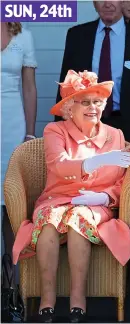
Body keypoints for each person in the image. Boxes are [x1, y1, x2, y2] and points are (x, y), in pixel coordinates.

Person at [12, 70, 130, 323]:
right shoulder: (54, 131)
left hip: (94, 204)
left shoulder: (116, 135)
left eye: (97, 102)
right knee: (48, 221)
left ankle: (78, 300)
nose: (93, 108)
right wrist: (98, 161)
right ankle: (47, 300)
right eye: (85, 101)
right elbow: (59, 165)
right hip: (56, 199)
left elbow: (123, 182)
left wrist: (102, 198)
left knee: (77, 221)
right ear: (70, 107)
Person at [55, 1, 130, 143]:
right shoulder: (77, 35)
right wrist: (60, 128)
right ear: (94, 3)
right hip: (84, 126)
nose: (107, 4)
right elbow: (65, 86)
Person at [1, 22, 37, 255]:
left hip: (12, 127)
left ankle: (11, 280)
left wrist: (30, 133)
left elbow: (30, 88)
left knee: (11, 201)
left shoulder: (24, 36)